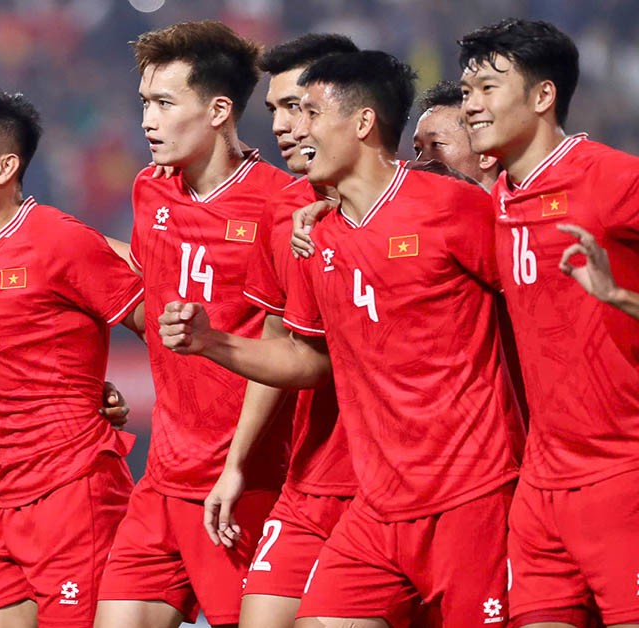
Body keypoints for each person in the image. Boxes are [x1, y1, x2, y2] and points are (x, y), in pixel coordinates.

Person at [160, 50, 524, 626]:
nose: (293, 128)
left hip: (468, 495)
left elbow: (532, 304)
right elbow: (308, 359)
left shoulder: (453, 208)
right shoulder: (317, 235)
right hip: (375, 508)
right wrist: (211, 342)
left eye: (309, 112)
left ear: (362, 123)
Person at [94, 20, 293, 628]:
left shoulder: (279, 203)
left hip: (240, 482)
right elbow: (147, 287)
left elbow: (284, 346)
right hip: (161, 477)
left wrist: (236, 467)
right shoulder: (150, 190)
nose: (147, 121)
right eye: (144, 104)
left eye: (164, 103)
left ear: (218, 110)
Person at [0, 88, 143, 628]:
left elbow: (160, 326)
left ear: (5, 167)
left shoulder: (57, 239)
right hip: (4, 499)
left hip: (73, 489)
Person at [459, 18, 639, 626]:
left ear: (542, 96)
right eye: (467, 91)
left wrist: (620, 296)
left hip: (622, 473)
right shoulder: (499, 198)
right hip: (539, 488)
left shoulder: (614, 180)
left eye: (488, 88)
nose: (471, 105)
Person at [208, 34, 358, 628]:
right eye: (274, 109)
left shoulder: (424, 205)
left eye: (298, 107)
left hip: (399, 483)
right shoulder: (281, 210)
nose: (281, 126)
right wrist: (236, 464)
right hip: (310, 475)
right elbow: (281, 340)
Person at [411, 80, 500, 190]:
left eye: (436, 144)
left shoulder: (518, 200)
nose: (420, 161)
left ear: (486, 155)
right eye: (417, 149)